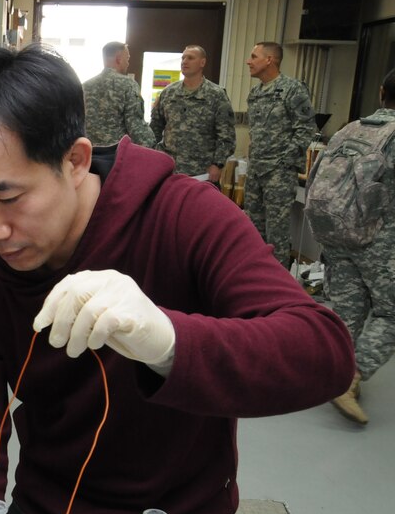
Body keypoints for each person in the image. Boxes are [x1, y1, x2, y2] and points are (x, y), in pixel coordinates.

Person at [0, 45, 354, 514]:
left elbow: (324, 349)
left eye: (8, 198)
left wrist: (169, 340)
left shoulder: (185, 217)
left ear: (74, 161)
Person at [321, 68, 395, 425]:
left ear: (381, 92)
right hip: (380, 240)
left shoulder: (353, 127)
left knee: (348, 308)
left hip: (337, 231)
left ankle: (331, 372)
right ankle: (350, 379)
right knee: (391, 312)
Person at [245, 41, 317, 268]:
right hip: (256, 169)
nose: (249, 61)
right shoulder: (256, 92)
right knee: (253, 229)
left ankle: (278, 286)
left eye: (254, 56)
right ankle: (256, 277)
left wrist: (284, 162)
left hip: (278, 173)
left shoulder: (292, 89)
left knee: (276, 232)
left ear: (270, 60)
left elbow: (306, 128)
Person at [150, 44, 236, 181]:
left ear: (202, 62)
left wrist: (217, 164)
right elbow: (155, 127)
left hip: (201, 171)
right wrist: (153, 155)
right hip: (169, 169)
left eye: (190, 58)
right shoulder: (169, 92)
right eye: (183, 58)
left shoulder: (216, 95)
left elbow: (226, 136)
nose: (184, 61)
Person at [82, 42, 155, 148]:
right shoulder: (128, 85)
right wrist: (152, 146)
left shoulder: (85, 86)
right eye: (127, 59)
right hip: (115, 154)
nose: (128, 63)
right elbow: (135, 126)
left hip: (89, 153)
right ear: (119, 59)